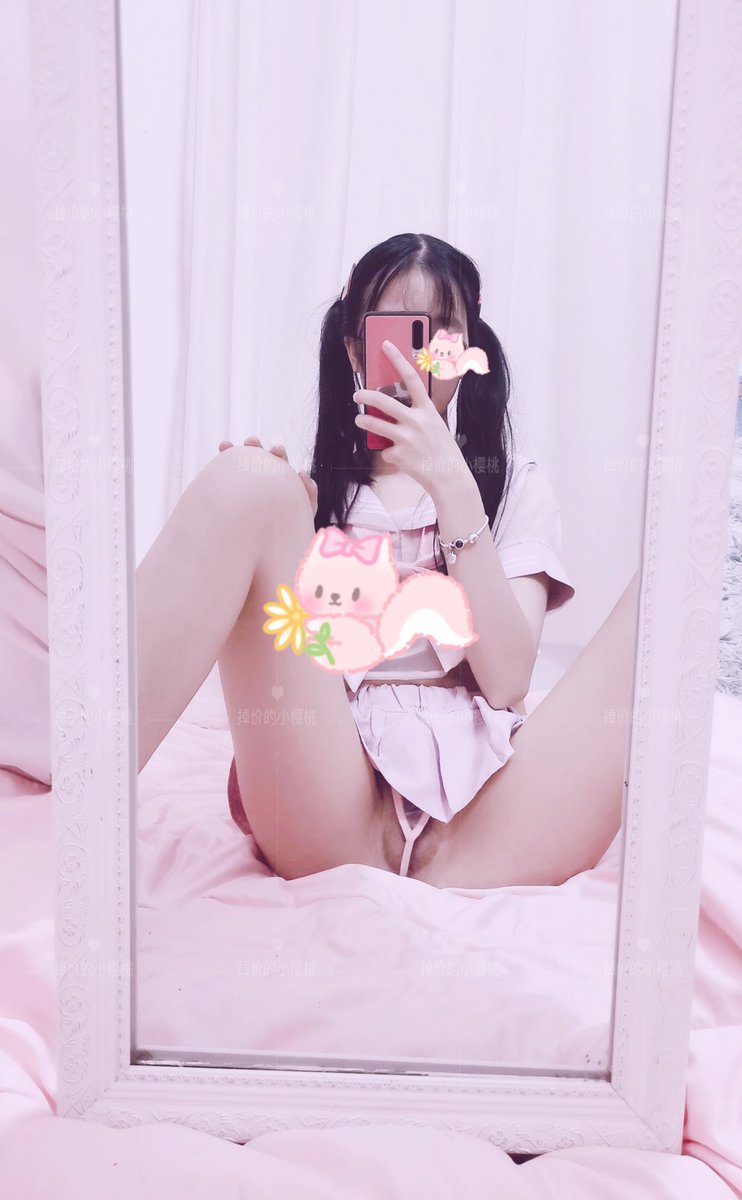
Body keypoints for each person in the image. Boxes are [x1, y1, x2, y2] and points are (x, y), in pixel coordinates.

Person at [136, 232, 640, 888]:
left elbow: (508, 682)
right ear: (356, 349)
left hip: (491, 825)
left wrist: (453, 487)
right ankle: (83, 783)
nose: (416, 361)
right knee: (246, 478)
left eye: (440, 334)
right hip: (329, 813)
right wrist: (281, 534)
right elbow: (309, 661)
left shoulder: (517, 487)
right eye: (396, 334)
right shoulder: (308, 496)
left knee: (668, 572)